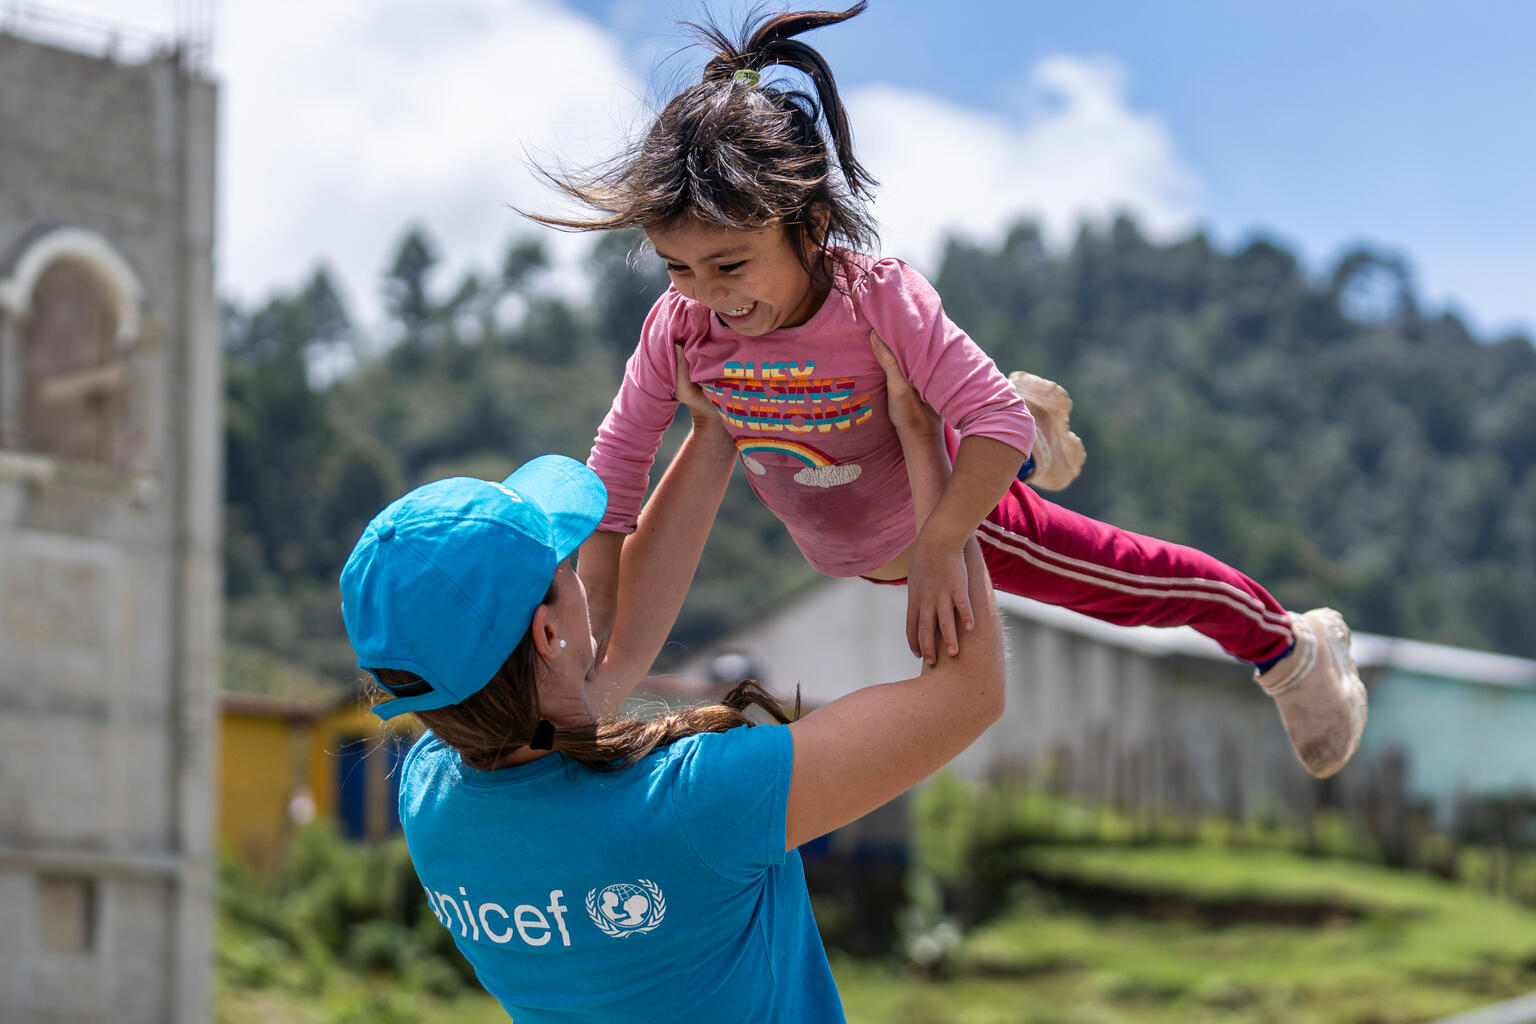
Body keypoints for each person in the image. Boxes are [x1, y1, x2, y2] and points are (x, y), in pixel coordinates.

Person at [527, 3, 1365, 780]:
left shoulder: (875, 301)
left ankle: (1290, 648)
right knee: (976, 418)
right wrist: (595, 625)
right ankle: (1007, 416)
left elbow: (989, 426)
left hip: (965, 513)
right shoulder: (683, 328)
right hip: (873, 527)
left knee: (1133, 586)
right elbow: (618, 474)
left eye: (731, 265)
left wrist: (939, 547)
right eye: (680, 267)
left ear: (812, 225)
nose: (709, 292)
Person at [339, 346, 1002, 1022]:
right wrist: (926, 449)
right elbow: (970, 691)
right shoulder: (697, 803)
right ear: (546, 636)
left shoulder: (431, 801)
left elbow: (601, 636)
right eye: (565, 562)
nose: (582, 573)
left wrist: (712, 433)